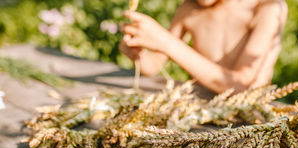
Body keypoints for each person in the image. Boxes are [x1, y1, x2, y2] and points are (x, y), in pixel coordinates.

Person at [119, 0, 287, 94]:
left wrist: (166, 42)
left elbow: (241, 85)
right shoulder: (189, 9)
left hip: (251, 118)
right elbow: (154, 65)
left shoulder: (268, 8)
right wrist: (137, 54)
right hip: (201, 109)